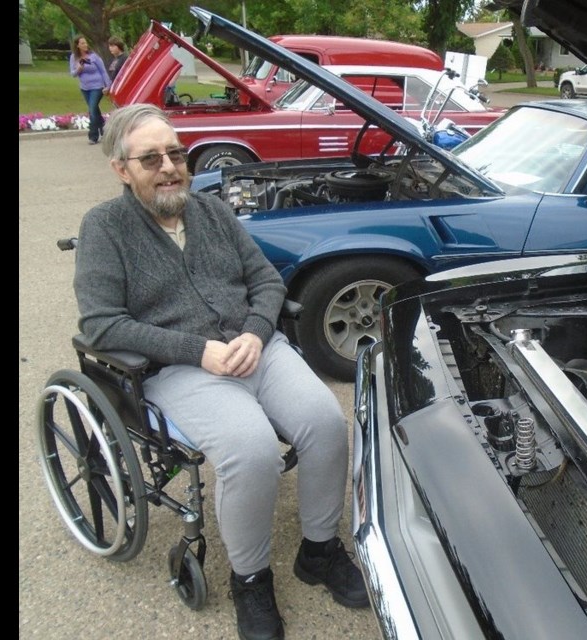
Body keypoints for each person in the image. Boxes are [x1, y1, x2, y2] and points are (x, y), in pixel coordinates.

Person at [73, 103, 368, 640]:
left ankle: (320, 551)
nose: (169, 167)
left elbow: (267, 282)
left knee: (326, 422)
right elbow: (100, 324)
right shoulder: (105, 228)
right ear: (122, 169)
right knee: (251, 449)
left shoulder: (212, 213)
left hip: (257, 347)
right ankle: (250, 580)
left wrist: (256, 331)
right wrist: (196, 349)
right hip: (181, 367)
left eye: (176, 154)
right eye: (151, 159)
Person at [69, 34, 111, 145]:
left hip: (97, 86)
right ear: (77, 45)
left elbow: (103, 71)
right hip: (85, 87)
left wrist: (108, 85)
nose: (85, 45)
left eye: (85, 42)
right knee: (95, 110)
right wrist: (79, 69)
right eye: (82, 43)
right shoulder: (74, 57)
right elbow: (73, 73)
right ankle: (105, 131)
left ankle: (93, 136)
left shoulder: (93, 56)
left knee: (92, 109)